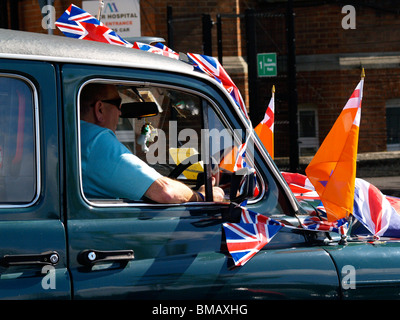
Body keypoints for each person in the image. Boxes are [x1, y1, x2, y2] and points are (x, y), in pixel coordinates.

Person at [79, 83, 225, 203]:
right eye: (118, 104)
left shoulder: (74, 135)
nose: (120, 112)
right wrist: (202, 196)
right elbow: (165, 191)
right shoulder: (95, 140)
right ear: (99, 109)